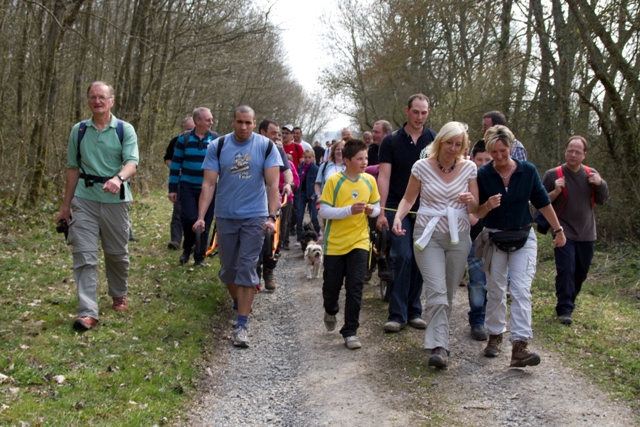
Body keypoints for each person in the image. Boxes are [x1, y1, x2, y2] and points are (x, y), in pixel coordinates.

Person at [475, 125, 566, 367]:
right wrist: (488, 206)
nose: (499, 156)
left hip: (523, 236)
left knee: (521, 290)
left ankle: (520, 346)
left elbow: (543, 202)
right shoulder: (483, 174)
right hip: (494, 236)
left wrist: (558, 230)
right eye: (494, 152)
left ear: (512, 148)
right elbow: (476, 212)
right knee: (495, 290)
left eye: (503, 151)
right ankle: (495, 336)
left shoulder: (527, 171)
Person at [392, 122, 479, 367]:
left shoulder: (470, 169)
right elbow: (408, 199)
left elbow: (475, 209)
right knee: (437, 291)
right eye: (449, 143)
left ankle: (438, 339)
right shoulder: (421, 167)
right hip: (427, 235)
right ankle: (439, 346)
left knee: (449, 292)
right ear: (439, 142)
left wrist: (470, 200)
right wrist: (398, 217)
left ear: (464, 146)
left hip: (458, 236)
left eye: (458, 144)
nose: (453, 148)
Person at [195, 105, 282, 348]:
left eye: (248, 123)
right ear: (232, 122)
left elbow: (272, 185)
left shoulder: (266, 147)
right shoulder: (218, 146)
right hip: (225, 216)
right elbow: (209, 185)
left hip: (255, 216)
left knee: (246, 268)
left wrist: (271, 217)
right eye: (239, 122)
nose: (244, 127)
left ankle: (241, 324)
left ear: (255, 124)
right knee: (228, 271)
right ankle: (239, 300)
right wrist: (202, 217)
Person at [55, 81, 139, 331]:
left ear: (111, 101)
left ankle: (118, 293)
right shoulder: (79, 131)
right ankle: (87, 312)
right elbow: (72, 168)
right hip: (85, 200)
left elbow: (132, 162)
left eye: (102, 97)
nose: (97, 101)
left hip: (116, 202)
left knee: (116, 254)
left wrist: (118, 178)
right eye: (93, 97)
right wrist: (65, 206)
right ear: (88, 101)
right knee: (84, 255)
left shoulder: (125, 130)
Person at [377, 93, 437, 333]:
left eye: (424, 113)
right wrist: (381, 211)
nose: (419, 117)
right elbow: (384, 176)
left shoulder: (435, 140)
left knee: (420, 259)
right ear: (407, 111)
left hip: (426, 209)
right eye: (415, 112)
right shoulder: (390, 141)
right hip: (396, 207)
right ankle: (397, 314)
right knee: (402, 256)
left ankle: (414, 310)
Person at [319, 139, 380, 349]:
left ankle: (351, 331)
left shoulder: (370, 180)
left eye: (366, 158)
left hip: (360, 240)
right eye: (359, 159)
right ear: (346, 160)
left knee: (355, 286)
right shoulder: (334, 181)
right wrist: (348, 210)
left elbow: (378, 206)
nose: (364, 162)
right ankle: (330, 308)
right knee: (331, 287)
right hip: (335, 243)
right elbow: (324, 211)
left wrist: (373, 211)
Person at [542, 136, 609, 325]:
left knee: (581, 271)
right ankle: (564, 308)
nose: (573, 154)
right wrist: (555, 191)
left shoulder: (591, 174)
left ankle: (570, 300)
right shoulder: (552, 174)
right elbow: (538, 202)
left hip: (587, 232)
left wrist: (600, 183)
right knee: (565, 269)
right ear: (565, 151)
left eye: (577, 152)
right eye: (570, 150)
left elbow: (604, 200)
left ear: (584, 155)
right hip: (563, 230)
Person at [168, 107, 219, 267]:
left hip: (209, 188)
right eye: (208, 119)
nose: (211, 122)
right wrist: (172, 188)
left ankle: (200, 257)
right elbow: (175, 164)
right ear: (198, 121)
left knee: (205, 221)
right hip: (188, 186)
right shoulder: (184, 139)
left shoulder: (216, 139)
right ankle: (187, 248)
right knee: (190, 219)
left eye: (211, 119)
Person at [258, 119, 297, 288]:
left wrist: (288, 183)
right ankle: (253, 273)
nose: (277, 136)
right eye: (273, 133)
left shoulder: (279, 150)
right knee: (255, 236)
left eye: (278, 134)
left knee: (275, 237)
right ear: (262, 133)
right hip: (254, 201)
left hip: (276, 199)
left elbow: (287, 170)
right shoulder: (252, 148)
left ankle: (269, 271)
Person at [466, 140, 493, 341]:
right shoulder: (466, 178)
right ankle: (477, 321)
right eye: (479, 159)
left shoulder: (498, 178)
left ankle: (493, 320)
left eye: (487, 160)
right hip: (473, 236)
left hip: (497, 237)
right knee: (477, 282)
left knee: (497, 282)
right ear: (472, 159)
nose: (483, 163)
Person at [163, 116, 195, 250]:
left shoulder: (208, 141)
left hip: (199, 183)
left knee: (193, 214)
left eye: (192, 129)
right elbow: (167, 158)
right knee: (178, 210)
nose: (190, 132)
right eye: (188, 129)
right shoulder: (176, 140)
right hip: (180, 181)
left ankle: (193, 241)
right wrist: (176, 169)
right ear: (183, 128)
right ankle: (175, 240)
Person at [297, 149, 321, 242]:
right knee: (299, 216)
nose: (307, 159)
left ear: (313, 158)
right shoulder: (301, 167)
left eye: (309, 157)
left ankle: (317, 232)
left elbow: (319, 183)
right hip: (302, 194)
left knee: (314, 217)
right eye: (305, 157)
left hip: (312, 194)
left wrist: (315, 194)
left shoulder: (316, 169)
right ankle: (300, 238)